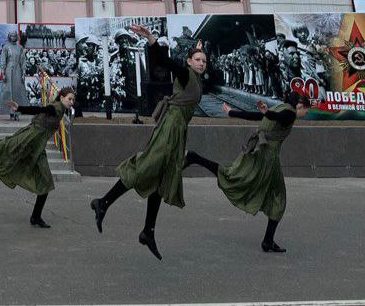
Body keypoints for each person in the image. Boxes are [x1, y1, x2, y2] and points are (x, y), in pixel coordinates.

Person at [90, 24, 206, 261]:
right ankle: (103, 202)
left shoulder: (195, 78)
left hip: (178, 130)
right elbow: (165, 61)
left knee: (161, 177)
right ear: (189, 62)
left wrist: (197, 48)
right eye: (198, 60)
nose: (202, 63)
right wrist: (151, 38)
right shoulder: (185, 74)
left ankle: (148, 231)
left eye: (204, 60)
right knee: (146, 167)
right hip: (170, 128)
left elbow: (185, 62)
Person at [184, 93, 311, 253]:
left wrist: (232, 113)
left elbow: (257, 116)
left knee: (236, 177)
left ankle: (268, 240)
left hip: (259, 151)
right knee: (276, 197)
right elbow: (278, 117)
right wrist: (267, 113)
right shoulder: (290, 113)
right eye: (306, 111)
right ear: (301, 106)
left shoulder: (280, 107)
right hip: (267, 159)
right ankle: (195, 158)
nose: (304, 114)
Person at [0, 87, 76, 227]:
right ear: (62, 98)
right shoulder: (56, 107)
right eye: (69, 99)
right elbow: (41, 109)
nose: (71, 102)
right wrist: (20, 108)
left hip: (37, 148)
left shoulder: (60, 109)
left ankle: (36, 217)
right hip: (28, 139)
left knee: (45, 182)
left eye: (73, 100)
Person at [0, 31, 27, 121]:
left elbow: (23, 61)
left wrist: (23, 72)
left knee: (17, 91)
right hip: (9, 70)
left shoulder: (20, 48)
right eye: (11, 36)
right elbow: (3, 60)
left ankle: (17, 112)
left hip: (18, 70)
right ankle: (11, 112)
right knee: (9, 91)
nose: (13, 37)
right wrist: (3, 73)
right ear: (9, 37)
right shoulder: (6, 47)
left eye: (15, 36)